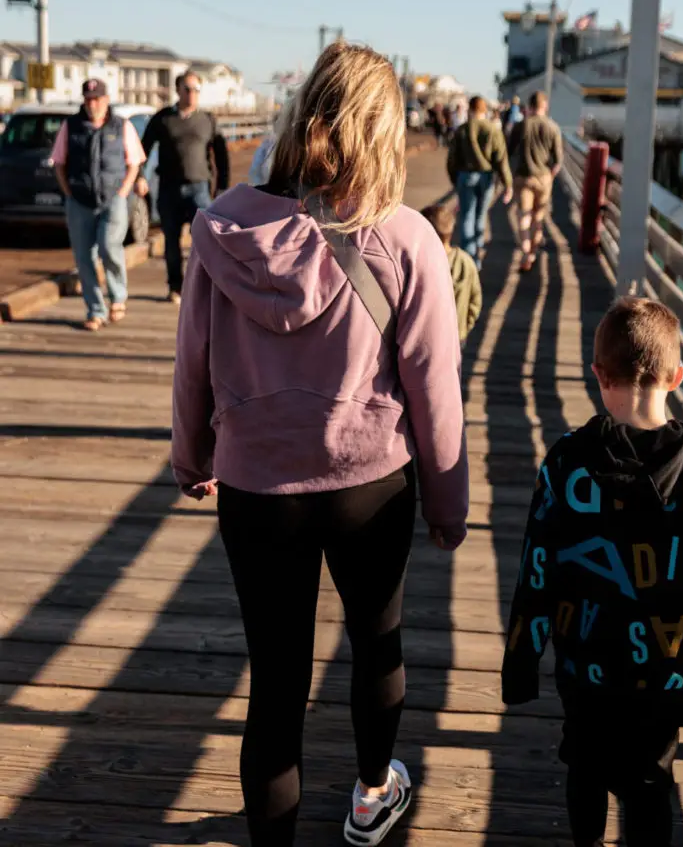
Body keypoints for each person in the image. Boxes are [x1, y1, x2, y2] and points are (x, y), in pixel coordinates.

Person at [172, 42, 469, 847]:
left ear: (304, 115)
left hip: (257, 487)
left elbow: (193, 356)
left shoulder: (224, 230)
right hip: (369, 483)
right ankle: (373, 794)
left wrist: (192, 456)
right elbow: (434, 386)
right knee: (377, 640)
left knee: (275, 681)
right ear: (383, 130)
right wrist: (448, 505)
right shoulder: (406, 239)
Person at [502, 297, 683, 847]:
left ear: (599, 375)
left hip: (585, 666)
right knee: (651, 780)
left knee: (584, 765)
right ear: (678, 377)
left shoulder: (565, 462)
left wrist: (522, 664)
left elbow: (537, 571)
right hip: (665, 673)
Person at [51, 78, 146, 331]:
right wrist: (68, 192)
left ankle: (118, 297)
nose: (92, 104)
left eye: (96, 99)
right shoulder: (70, 126)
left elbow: (135, 161)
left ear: (105, 100)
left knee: (109, 246)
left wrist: (124, 191)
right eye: (88, 99)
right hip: (80, 200)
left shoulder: (121, 126)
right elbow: (58, 161)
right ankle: (95, 310)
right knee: (84, 258)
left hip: (112, 198)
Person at [137, 71, 230, 303]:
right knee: (171, 240)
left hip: (199, 188)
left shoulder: (207, 120)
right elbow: (143, 149)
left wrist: (221, 189)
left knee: (206, 239)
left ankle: (205, 286)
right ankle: (175, 286)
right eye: (187, 89)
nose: (192, 94)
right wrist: (140, 176)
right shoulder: (163, 119)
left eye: (196, 90)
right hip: (169, 189)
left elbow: (221, 155)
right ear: (177, 90)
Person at [446, 94, 513, 267]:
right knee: (480, 217)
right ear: (485, 109)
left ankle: (469, 260)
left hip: (466, 176)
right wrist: (508, 184)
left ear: (470, 108)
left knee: (466, 217)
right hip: (487, 177)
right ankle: (477, 251)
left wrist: (455, 179)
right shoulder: (493, 130)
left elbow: (452, 159)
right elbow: (501, 159)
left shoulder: (462, 130)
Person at [507, 90, 564, 271]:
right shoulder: (553, 127)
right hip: (544, 178)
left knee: (523, 216)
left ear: (529, 106)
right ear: (544, 106)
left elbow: (508, 152)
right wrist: (550, 175)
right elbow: (558, 161)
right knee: (538, 218)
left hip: (523, 177)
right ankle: (532, 252)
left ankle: (525, 252)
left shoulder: (521, 126)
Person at [422, 202, 482, 347]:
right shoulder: (466, 261)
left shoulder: (422, 262)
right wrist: (464, 327)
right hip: (456, 334)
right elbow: (475, 300)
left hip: (426, 335)